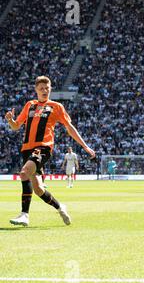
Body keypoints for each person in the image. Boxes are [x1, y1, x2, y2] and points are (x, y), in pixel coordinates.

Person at [4, 76, 95, 227]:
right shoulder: (29, 105)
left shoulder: (56, 106)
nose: (45, 91)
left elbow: (69, 127)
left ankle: (24, 215)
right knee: (39, 189)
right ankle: (60, 207)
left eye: (47, 88)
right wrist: (10, 120)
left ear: (50, 88)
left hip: (43, 147)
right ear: (36, 90)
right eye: (41, 89)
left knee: (24, 172)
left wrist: (85, 146)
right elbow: (16, 126)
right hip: (26, 149)